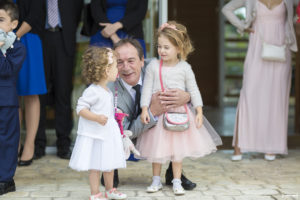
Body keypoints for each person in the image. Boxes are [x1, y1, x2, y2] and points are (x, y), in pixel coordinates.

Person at [137, 21, 221, 195]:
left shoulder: (185, 68)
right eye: (159, 46)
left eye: (166, 47)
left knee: (177, 152)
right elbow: (146, 88)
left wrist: (199, 110)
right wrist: (145, 109)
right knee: (157, 148)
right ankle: (156, 180)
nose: (162, 51)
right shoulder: (153, 66)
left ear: (178, 48)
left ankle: (176, 181)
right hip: (159, 115)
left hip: (179, 115)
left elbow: (194, 89)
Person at [106, 38, 198, 190]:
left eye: (131, 60)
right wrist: (152, 111)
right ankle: (110, 168)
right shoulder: (109, 89)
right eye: (119, 62)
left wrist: (186, 96)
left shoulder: (159, 67)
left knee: (182, 111)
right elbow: (124, 132)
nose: (126, 67)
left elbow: (190, 84)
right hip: (126, 134)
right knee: (111, 132)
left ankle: (174, 173)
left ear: (142, 61)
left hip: (158, 126)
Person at [222, 0, 298, 161]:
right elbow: (226, 9)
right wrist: (242, 26)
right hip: (257, 49)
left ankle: (272, 146)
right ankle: (239, 145)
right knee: (249, 94)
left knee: (276, 98)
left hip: (282, 51)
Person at [69, 47, 127, 200]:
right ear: (106, 70)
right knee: (95, 166)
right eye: (115, 66)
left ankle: (110, 190)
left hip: (108, 134)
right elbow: (80, 108)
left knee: (110, 164)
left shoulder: (107, 90)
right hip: (96, 135)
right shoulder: (93, 91)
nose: (118, 70)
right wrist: (96, 118)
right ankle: (95, 193)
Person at [35, 0, 83, 160]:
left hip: (64, 39)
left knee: (63, 92)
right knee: (38, 94)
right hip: (40, 39)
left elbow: (77, 11)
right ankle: (38, 144)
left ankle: (63, 143)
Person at [14, 0, 47, 167]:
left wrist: (13, 36)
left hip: (27, 39)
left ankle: (29, 144)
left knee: (30, 92)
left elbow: (35, 14)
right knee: (12, 95)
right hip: (2, 40)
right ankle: (15, 144)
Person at [0, 1, 26, 195]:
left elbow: (6, 70)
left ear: (13, 24)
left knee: (7, 140)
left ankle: (5, 179)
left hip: (5, 101)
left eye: (1, 20)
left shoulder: (17, 48)